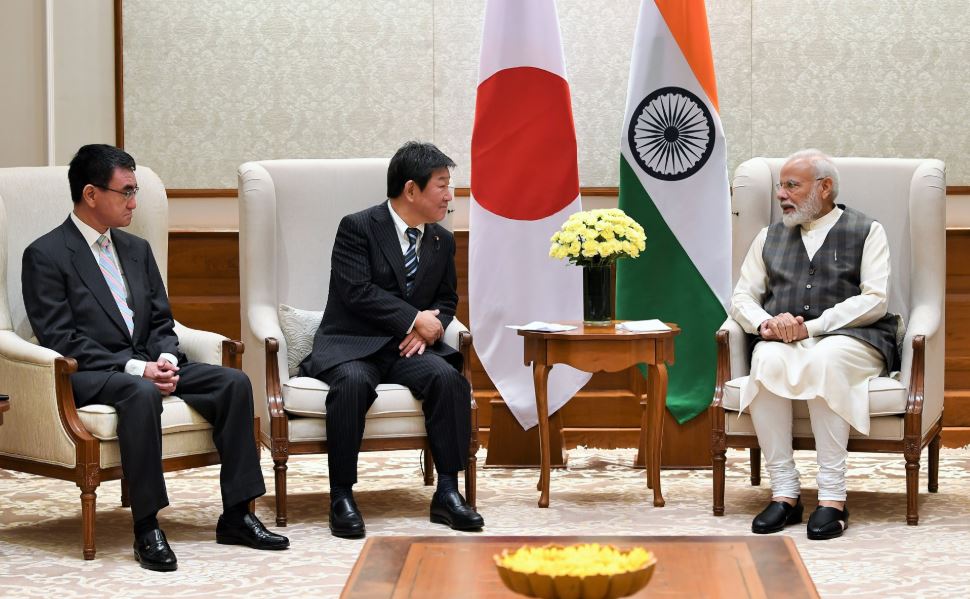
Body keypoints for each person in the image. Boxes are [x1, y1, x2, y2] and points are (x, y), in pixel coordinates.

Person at [21, 144, 289, 571]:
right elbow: (61, 339)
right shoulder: (46, 255)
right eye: (125, 192)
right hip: (91, 373)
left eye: (135, 191)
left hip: (147, 363)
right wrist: (137, 368)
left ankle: (237, 514)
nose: (133, 202)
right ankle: (147, 527)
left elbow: (164, 320)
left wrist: (164, 357)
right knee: (138, 392)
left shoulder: (136, 250)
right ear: (91, 195)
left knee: (233, 383)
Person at [298, 141, 484, 538]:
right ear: (412, 190)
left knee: (448, 379)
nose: (450, 196)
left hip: (405, 349)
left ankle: (448, 492)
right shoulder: (358, 227)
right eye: (442, 185)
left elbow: (447, 298)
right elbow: (356, 291)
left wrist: (431, 325)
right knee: (351, 384)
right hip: (354, 341)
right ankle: (342, 495)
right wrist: (413, 319)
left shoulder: (440, 240)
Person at [729, 149, 899, 540]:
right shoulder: (768, 237)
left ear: (824, 188)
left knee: (826, 359)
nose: (781, 195)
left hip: (854, 338)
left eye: (792, 185)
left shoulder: (866, 230)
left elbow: (875, 299)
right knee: (766, 360)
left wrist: (815, 327)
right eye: (780, 186)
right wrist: (766, 323)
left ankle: (833, 498)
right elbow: (742, 297)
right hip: (784, 338)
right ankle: (785, 493)